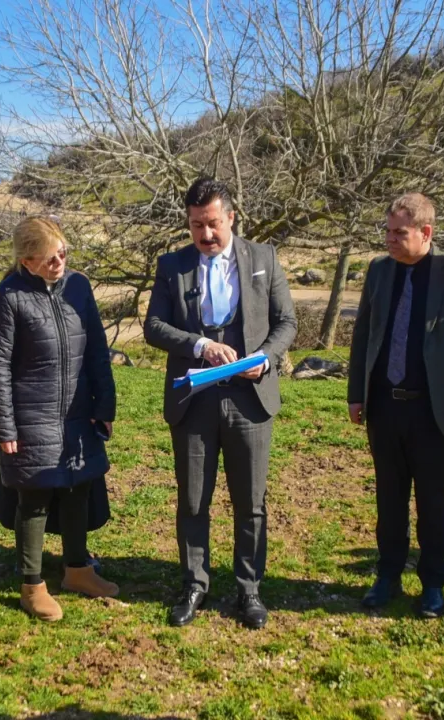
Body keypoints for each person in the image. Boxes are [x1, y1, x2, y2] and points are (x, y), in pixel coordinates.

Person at [143, 177, 297, 629]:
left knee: (250, 502)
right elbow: (154, 326)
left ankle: (249, 589)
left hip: (250, 401)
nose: (206, 234)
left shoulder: (264, 258)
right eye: (196, 226)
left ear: (231, 217)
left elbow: (287, 322)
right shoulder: (171, 266)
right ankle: (195, 584)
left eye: (212, 224)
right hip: (194, 400)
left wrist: (265, 359)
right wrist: (200, 346)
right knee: (193, 500)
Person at [347, 192, 444, 617]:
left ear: (426, 232)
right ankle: (388, 574)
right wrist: (356, 393)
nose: (390, 239)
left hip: (432, 410)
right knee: (389, 498)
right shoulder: (379, 270)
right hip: (384, 406)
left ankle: (432, 582)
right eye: (387, 231)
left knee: (432, 499)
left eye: (400, 233)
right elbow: (363, 334)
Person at [0, 217, 119, 622]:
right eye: (49, 258)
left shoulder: (79, 286)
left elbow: (97, 349)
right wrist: (4, 426)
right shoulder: (7, 297)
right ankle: (32, 585)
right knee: (35, 499)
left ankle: (78, 570)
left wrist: (104, 406)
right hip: (31, 417)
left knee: (79, 488)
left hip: (79, 414)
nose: (59, 263)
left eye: (62, 253)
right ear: (27, 261)